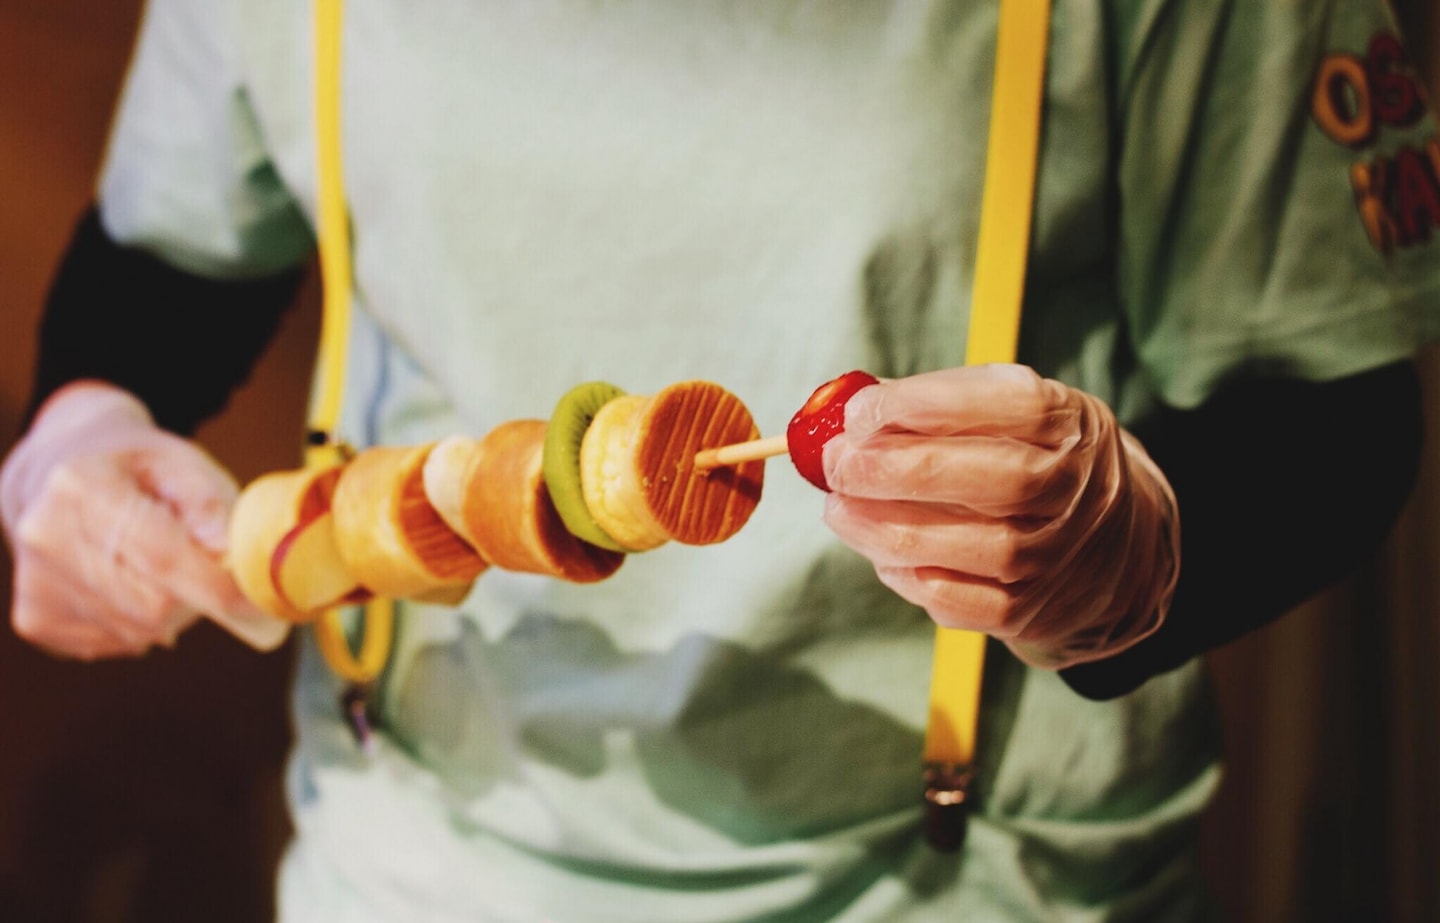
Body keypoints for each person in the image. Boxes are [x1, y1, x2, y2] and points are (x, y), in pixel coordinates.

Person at [3, 1, 1437, 919]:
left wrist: (1149, 549)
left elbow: (1338, 414)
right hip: (412, 855)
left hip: (969, 884)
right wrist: (79, 425)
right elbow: (163, 265)